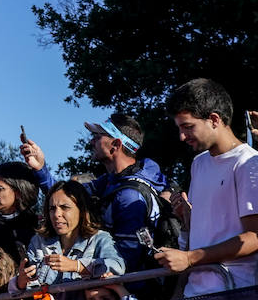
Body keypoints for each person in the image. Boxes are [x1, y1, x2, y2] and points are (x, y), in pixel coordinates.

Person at [155, 79, 258, 296]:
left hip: (239, 293)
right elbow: (207, 233)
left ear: (214, 119)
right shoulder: (198, 163)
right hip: (198, 292)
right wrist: (187, 218)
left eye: (188, 126)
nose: (182, 136)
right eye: (179, 128)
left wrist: (190, 258)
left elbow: (255, 238)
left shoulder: (250, 163)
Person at [21, 115, 170, 272]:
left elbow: (126, 263)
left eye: (98, 137)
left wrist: (78, 266)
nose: (92, 142)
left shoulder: (129, 196)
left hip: (131, 290)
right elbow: (68, 197)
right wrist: (40, 168)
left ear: (116, 144)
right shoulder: (111, 181)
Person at [16, 180, 126, 300]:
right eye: (52, 208)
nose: (57, 214)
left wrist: (77, 266)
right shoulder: (38, 241)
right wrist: (21, 282)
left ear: (82, 210)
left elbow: (117, 266)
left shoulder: (100, 239)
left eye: (64, 207)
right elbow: (24, 285)